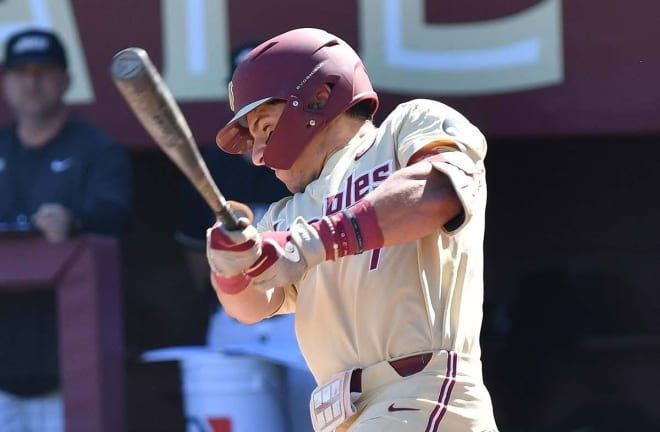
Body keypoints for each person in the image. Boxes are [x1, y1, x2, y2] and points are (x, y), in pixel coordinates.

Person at [206, 27, 499, 431]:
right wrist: (230, 268)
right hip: (343, 415)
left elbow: (435, 195)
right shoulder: (285, 214)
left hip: (420, 393)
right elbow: (252, 307)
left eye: (267, 129)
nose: (258, 156)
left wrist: (308, 244)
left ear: (320, 97)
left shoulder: (407, 128)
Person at [174, 43, 316, 432]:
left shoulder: (313, 154)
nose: (255, 105)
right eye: (245, 90)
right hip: (235, 315)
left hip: (307, 314)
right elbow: (195, 258)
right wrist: (231, 282)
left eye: (267, 92)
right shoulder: (212, 164)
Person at [0, 28, 133, 431]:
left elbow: (115, 216)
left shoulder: (97, 150)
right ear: (6, 81)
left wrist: (75, 222)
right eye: (21, 72)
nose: (31, 82)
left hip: (70, 366)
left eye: (43, 71)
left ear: (66, 81)